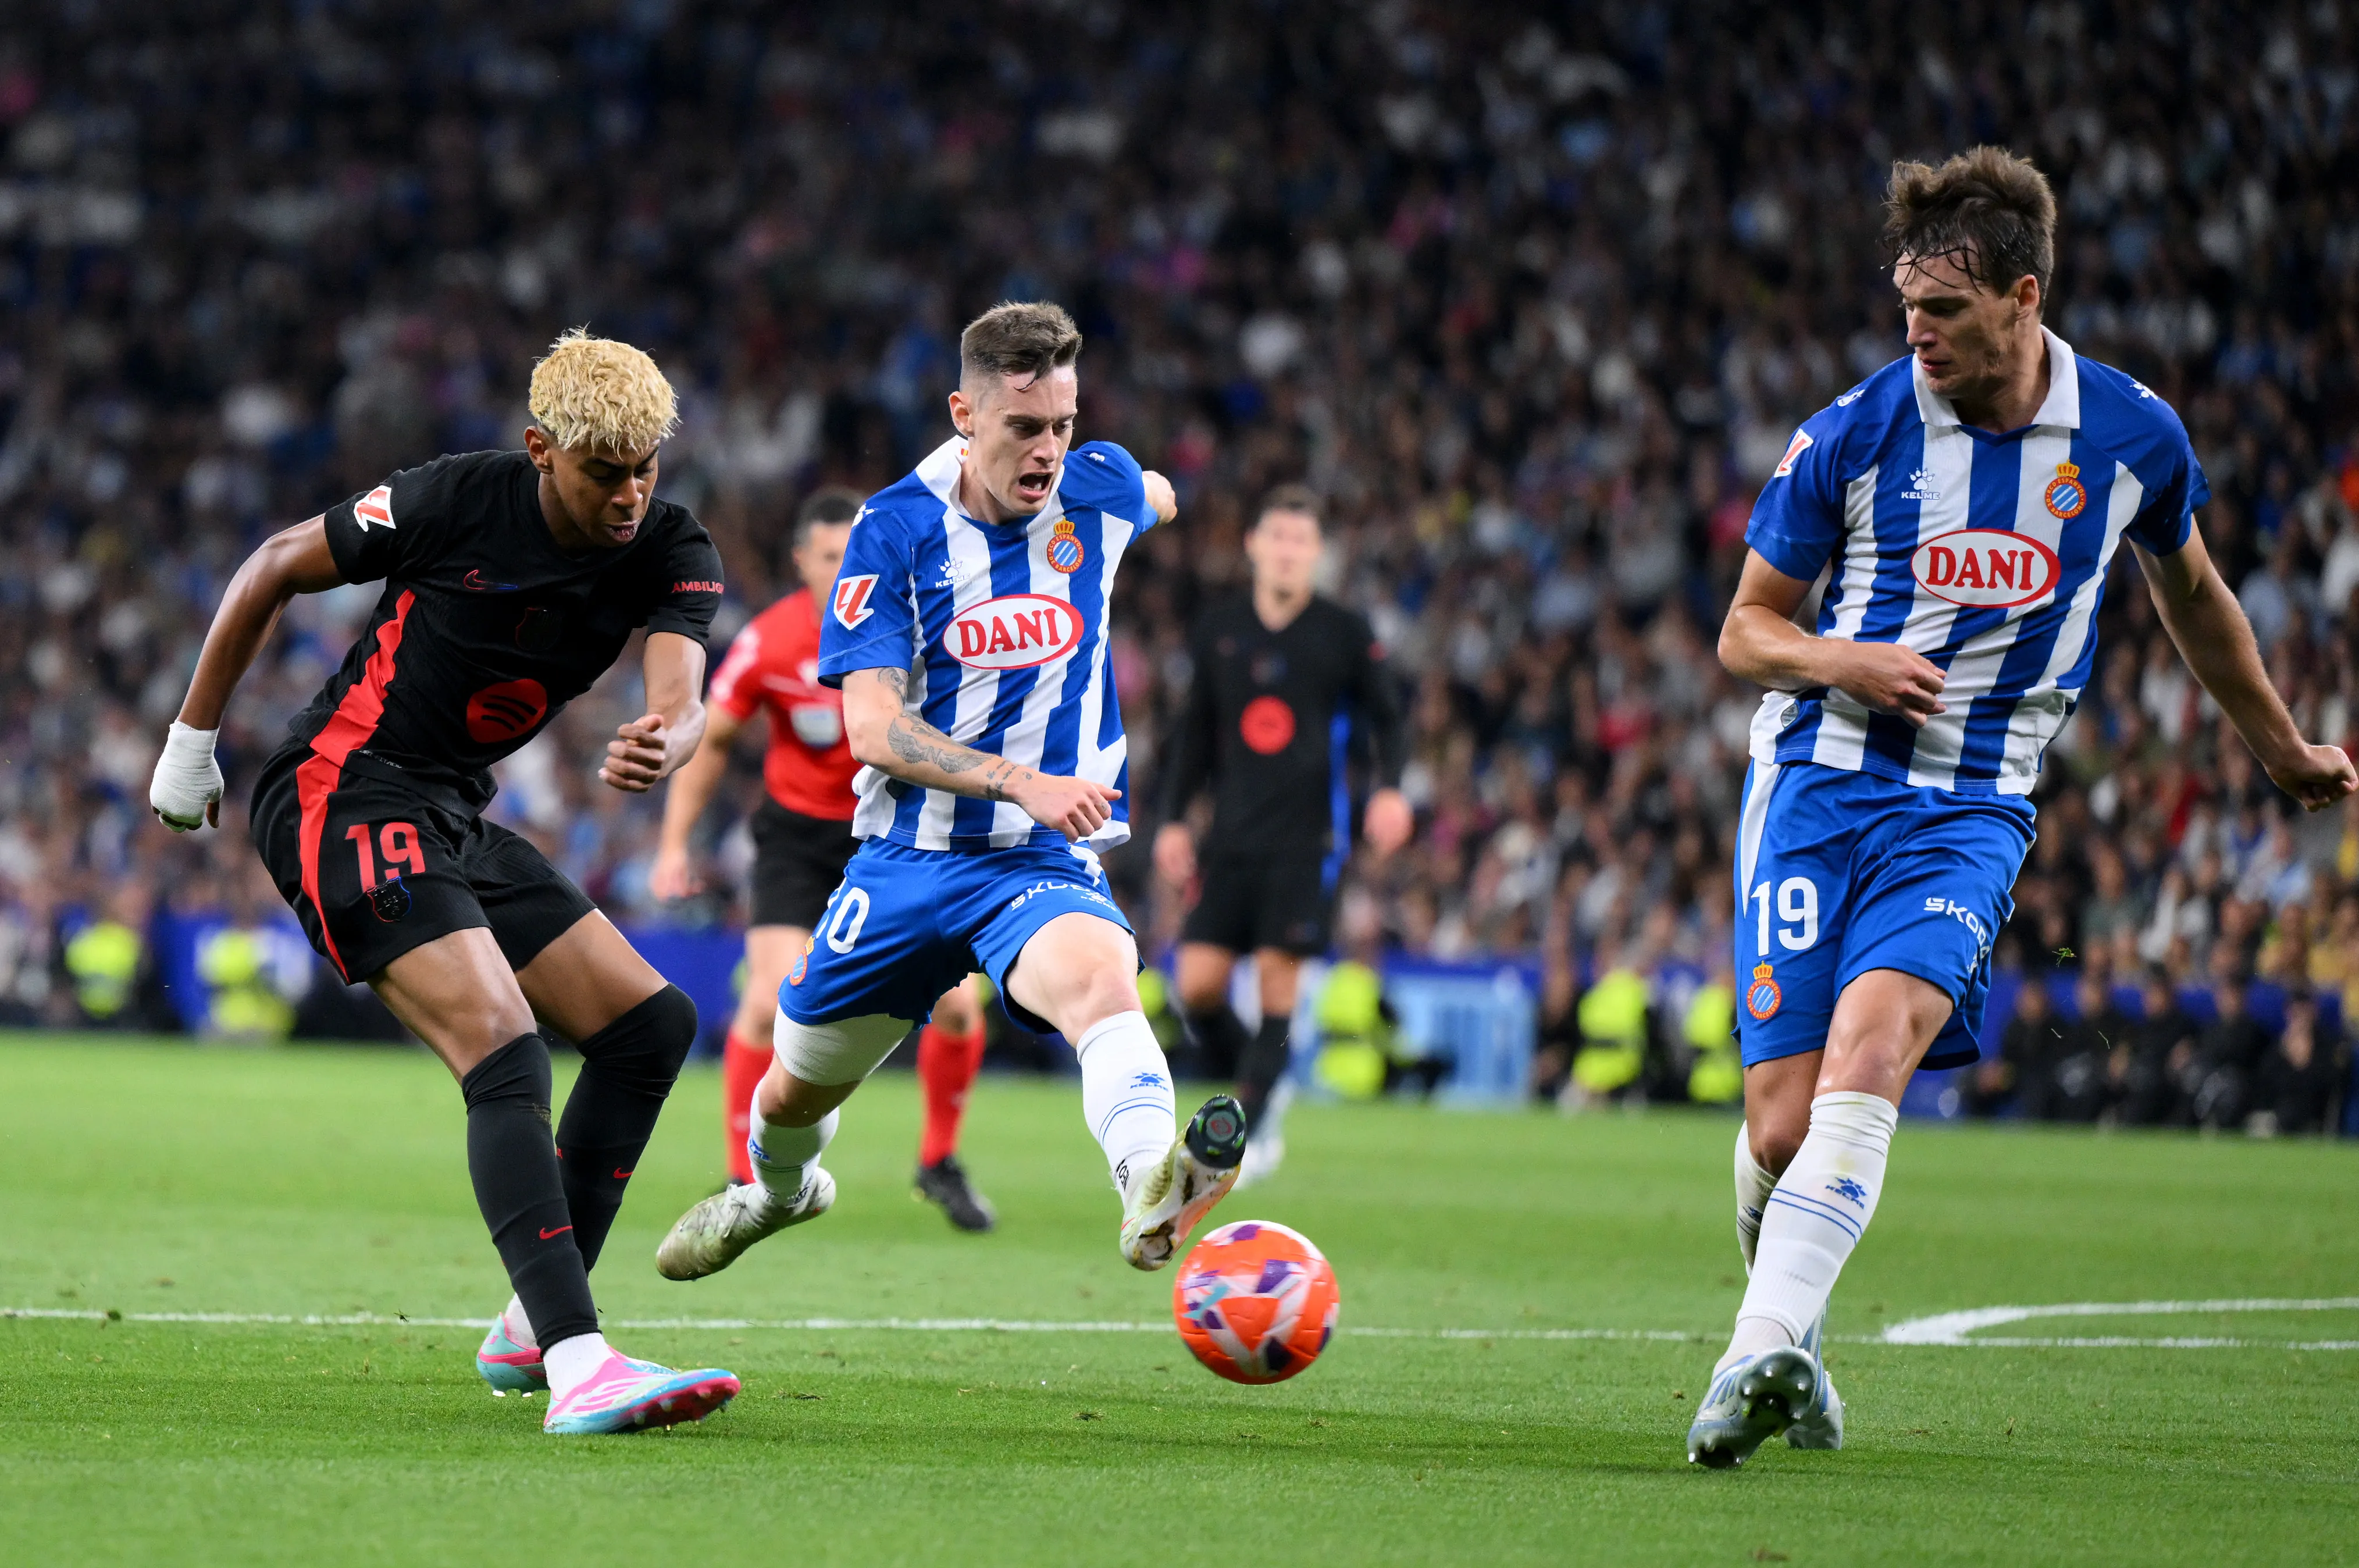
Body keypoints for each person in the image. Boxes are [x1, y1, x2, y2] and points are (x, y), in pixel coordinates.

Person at [1689, 147, 2357, 1467]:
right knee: (1776, 1122)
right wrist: (1846, 657)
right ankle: (1793, 1340)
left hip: (1971, 807)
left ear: (2022, 296)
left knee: (1871, 1055)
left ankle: (1750, 1354)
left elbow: (2193, 595)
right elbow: (1744, 632)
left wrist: (2277, 744)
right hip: (1817, 778)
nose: (1916, 331)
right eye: (1906, 306)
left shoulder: (2126, 435)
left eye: (1942, 309)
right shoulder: (1854, 430)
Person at [146, 330, 740, 1436]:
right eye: (605, 471)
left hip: (450, 813)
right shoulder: (455, 500)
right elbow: (276, 562)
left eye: (646, 468)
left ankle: (530, 1319)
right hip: (344, 791)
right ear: (540, 452)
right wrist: (192, 740)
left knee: (650, 1025)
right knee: (504, 1048)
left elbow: (682, 679)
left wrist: (673, 731)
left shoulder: (669, 543)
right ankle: (578, 1361)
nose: (629, 494)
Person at [654, 301, 1245, 1285]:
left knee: (1103, 981)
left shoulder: (1095, 488)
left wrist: (1157, 491)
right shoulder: (894, 531)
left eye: (1061, 423)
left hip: (1034, 858)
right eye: (1023, 427)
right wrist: (1023, 779)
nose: (1048, 450)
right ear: (964, 414)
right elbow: (872, 731)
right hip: (906, 861)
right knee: (791, 1093)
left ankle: (1150, 1182)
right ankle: (776, 1193)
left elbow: (1151, 492)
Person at [650, 488, 997, 1231]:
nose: (845, 571)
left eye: (856, 555)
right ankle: (745, 1177)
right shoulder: (770, 643)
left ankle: (938, 1161)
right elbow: (713, 741)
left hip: (898, 837)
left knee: (963, 1007)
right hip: (798, 843)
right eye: (831, 556)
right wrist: (675, 842)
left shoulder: (914, 630)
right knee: (766, 1000)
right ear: (803, 560)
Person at [1152, 486, 1409, 1184]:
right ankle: (1260, 1082)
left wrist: (1389, 789)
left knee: (1276, 984)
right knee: (1197, 984)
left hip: (1307, 840)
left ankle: (1252, 1124)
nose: (1290, 551)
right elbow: (1194, 733)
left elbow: (1390, 718)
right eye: (1279, 538)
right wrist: (1174, 817)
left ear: (1317, 554)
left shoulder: (1344, 631)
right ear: (1255, 545)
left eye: (1303, 541)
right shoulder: (1221, 628)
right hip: (1230, 838)